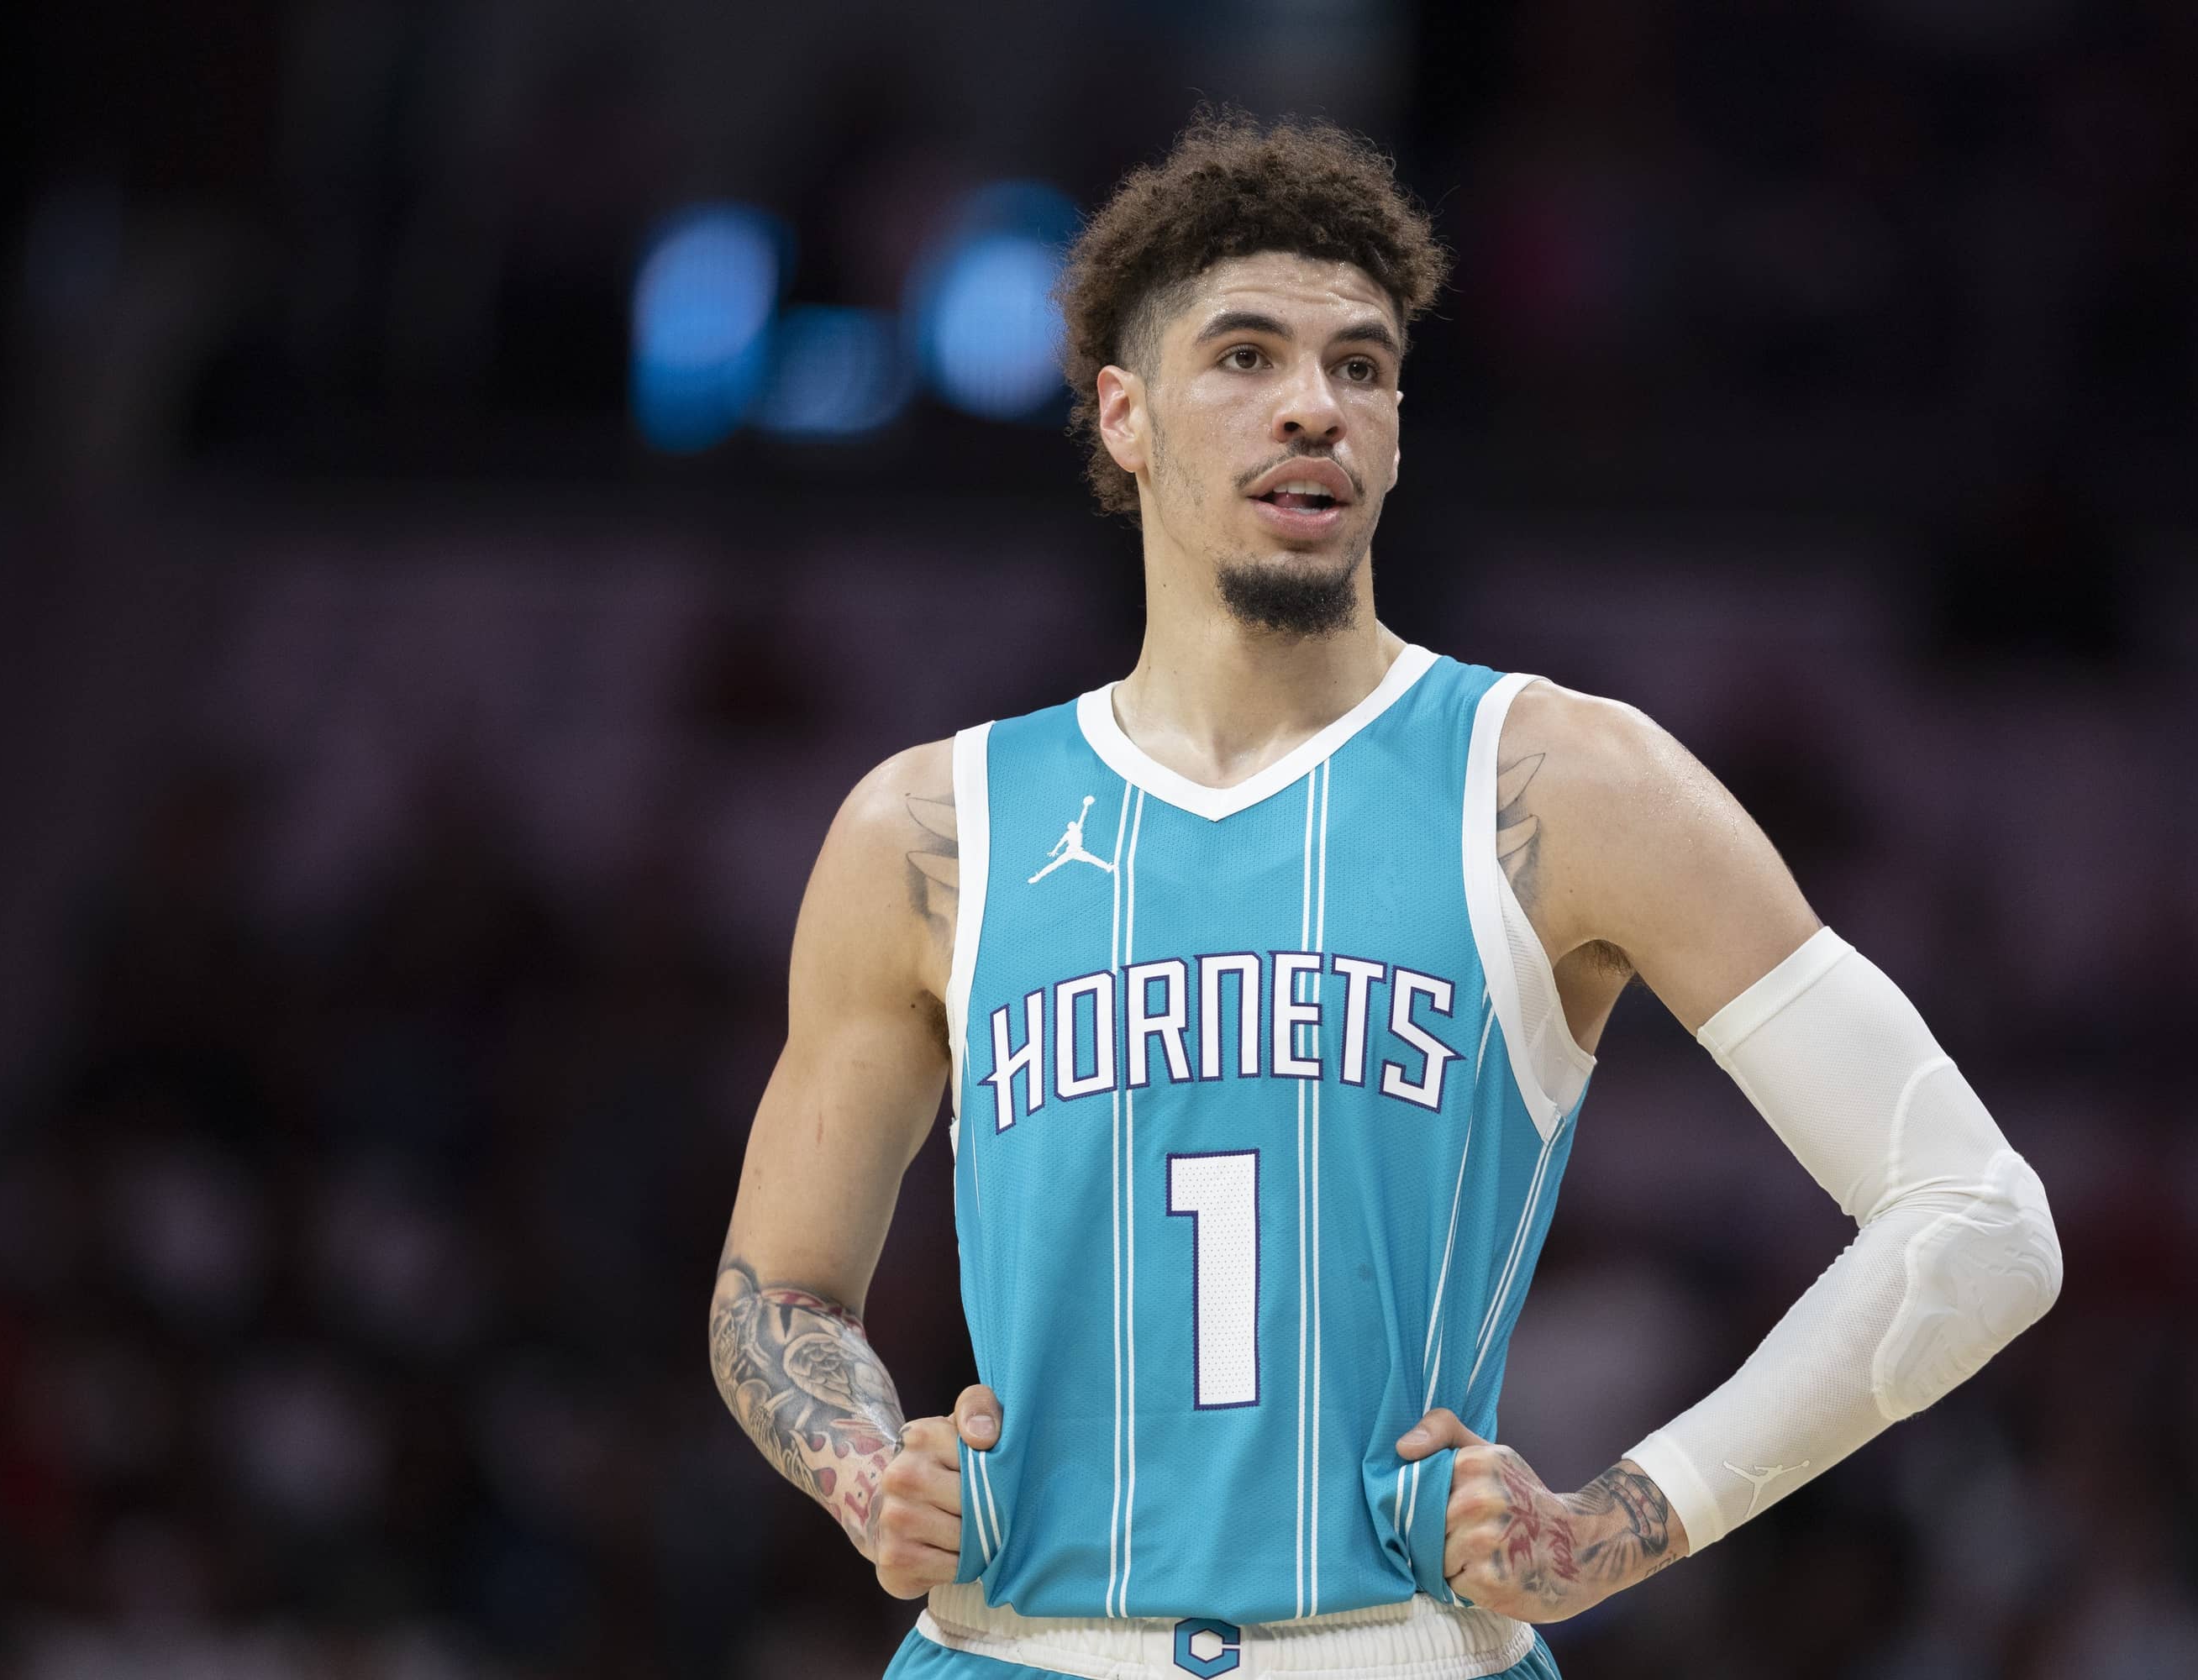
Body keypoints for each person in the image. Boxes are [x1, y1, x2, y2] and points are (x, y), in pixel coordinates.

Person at [708, 110, 2063, 1680]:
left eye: (1360, 367)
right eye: (1245, 357)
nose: (1313, 407)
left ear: (1402, 427)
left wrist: (1625, 1519)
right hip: (1011, 1648)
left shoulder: (1560, 782)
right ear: (1124, 415)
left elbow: (1979, 1222)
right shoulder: (928, 827)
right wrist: (869, 1469)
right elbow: (775, 1293)